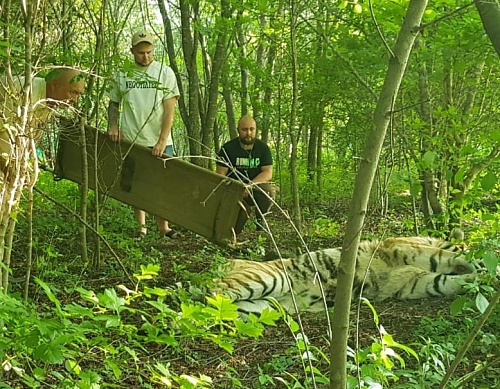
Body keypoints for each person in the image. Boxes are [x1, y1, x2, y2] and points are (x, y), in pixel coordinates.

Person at [107, 30, 181, 241]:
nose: (145, 57)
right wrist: (113, 125)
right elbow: (113, 103)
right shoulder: (122, 73)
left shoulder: (164, 73)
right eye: (140, 53)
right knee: (135, 184)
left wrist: (161, 140)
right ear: (132, 51)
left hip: (160, 141)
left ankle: (164, 228)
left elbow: (169, 110)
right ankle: (141, 228)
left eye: (149, 52)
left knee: (162, 186)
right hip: (132, 139)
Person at [0, 68, 85, 178]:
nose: (75, 100)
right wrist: (11, 171)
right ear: (55, 85)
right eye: (73, 92)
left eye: (78, 94)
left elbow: (28, 135)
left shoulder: (50, 100)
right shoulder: (27, 93)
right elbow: (3, 134)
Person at [216, 114, 276, 233]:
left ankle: (261, 220)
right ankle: (232, 231)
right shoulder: (227, 149)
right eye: (244, 129)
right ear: (238, 130)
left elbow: (268, 172)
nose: (248, 133)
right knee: (242, 213)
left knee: (269, 191)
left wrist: (249, 186)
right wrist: (237, 189)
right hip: (234, 188)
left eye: (251, 129)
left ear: (255, 130)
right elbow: (220, 175)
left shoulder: (263, 148)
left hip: (254, 187)